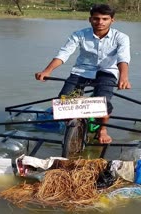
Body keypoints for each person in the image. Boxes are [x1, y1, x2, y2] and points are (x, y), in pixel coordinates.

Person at [35, 4, 131, 144]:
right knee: (63, 102)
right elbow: (64, 53)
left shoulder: (121, 37)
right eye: (96, 19)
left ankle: (102, 129)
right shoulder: (79, 35)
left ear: (112, 20)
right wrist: (47, 71)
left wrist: (123, 77)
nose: (100, 22)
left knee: (103, 103)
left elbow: (123, 58)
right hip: (82, 71)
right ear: (90, 19)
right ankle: (72, 124)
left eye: (105, 19)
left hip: (107, 71)